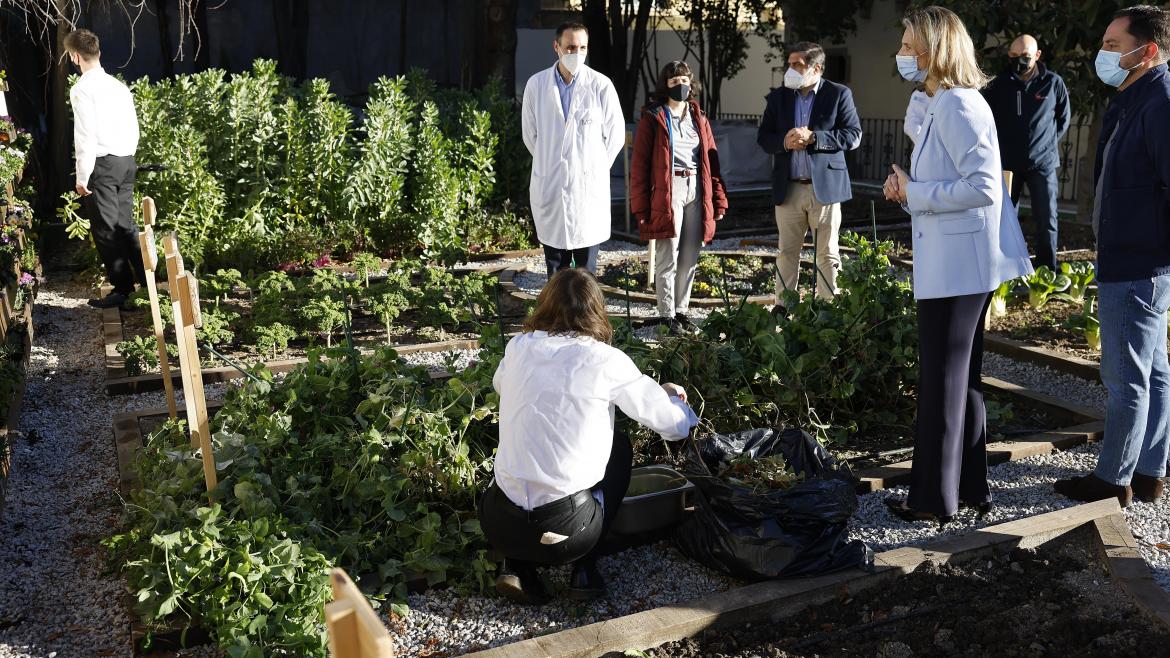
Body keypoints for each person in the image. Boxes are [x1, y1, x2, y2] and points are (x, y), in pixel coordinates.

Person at [882, 6, 1033, 526]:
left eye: (908, 45)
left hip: (959, 269)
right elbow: (946, 183)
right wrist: (909, 192)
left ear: (933, 49)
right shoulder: (943, 101)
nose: (901, 54)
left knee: (942, 381)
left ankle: (931, 499)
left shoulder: (958, 104)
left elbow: (984, 188)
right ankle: (968, 488)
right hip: (957, 264)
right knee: (960, 379)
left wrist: (915, 192)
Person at [479, 268, 698, 603]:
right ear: (596, 311)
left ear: (544, 305)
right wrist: (672, 398)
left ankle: (516, 565)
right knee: (619, 448)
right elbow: (673, 425)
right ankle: (584, 569)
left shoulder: (519, 346)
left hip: (498, 523)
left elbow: (500, 385)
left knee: (523, 452)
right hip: (567, 530)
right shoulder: (604, 359)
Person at [1054, 5, 1170, 508]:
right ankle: (1149, 473)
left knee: (1125, 377)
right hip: (1136, 258)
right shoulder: (1135, 97)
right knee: (1153, 369)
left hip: (1138, 262)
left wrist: (1151, 252)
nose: (1101, 53)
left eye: (1112, 45)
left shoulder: (1160, 101)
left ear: (1148, 51)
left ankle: (1112, 480)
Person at [757, 41, 861, 305]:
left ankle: (829, 309)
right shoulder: (779, 97)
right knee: (786, 252)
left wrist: (815, 138)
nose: (790, 69)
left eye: (797, 64)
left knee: (827, 253)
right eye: (789, 64)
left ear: (817, 68)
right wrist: (784, 142)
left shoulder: (838, 94)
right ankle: (783, 307)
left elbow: (853, 135)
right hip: (788, 187)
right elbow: (764, 137)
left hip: (823, 187)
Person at [630, 61, 728, 333]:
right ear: (666, 86)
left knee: (689, 254)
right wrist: (641, 208)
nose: (680, 85)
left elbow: (712, 163)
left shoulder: (699, 118)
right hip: (668, 188)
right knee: (668, 255)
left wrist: (718, 199)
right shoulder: (654, 118)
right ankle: (667, 315)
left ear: (691, 83)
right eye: (674, 82)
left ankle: (681, 311)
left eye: (684, 80)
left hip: (697, 187)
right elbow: (639, 166)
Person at [522, 22, 624, 278]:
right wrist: (551, 162)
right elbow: (531, 136)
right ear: (556, 47)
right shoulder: (536, 85)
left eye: (582, 48)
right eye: (570, 47)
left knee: (585, 274)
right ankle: (556, 307)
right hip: (551, 187)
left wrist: (591, 168)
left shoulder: (601, 85)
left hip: (587, 193)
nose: (576, 53)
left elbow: (615, 136)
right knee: (556, 272)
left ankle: (586, 309)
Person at [65, 28, 145, 309]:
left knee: (107, 230)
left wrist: (82, 176)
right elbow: (133, 126)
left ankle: (122, 291)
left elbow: (85, 135)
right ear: (98, 52)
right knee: (126, 225)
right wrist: (127, 156)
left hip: (102, 165)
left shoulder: (81, 89)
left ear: (75, 56)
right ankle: (149, 282)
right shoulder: (118, 86)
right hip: (126, 160)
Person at [982, 34, 1072, 272]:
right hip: (1007, 165)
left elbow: (1063, 119)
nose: (1018, 61)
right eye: (1013, 56)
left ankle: (1046, 272)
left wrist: (1045, 145)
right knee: (1003, 219)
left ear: (1037, 55)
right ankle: (1004, 271)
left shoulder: (1053, 83)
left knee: (1047, 219)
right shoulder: (998, 85)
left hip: (1043, 164)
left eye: (1024, 56)